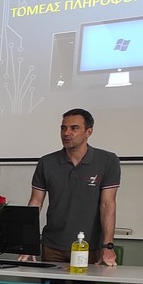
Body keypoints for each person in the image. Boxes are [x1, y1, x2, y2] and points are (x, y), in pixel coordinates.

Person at [28, 108, 120, 266]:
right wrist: (28, 243)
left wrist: (108, 246)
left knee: (86, 283)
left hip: (89, 246)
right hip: (52, 246)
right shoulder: (46, 162)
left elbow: (107, 204)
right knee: (49, 283)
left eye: (74, 128)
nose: (66, 133)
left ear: (88, 132)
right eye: (63, 128)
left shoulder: (108, 161)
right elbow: (35, 203)